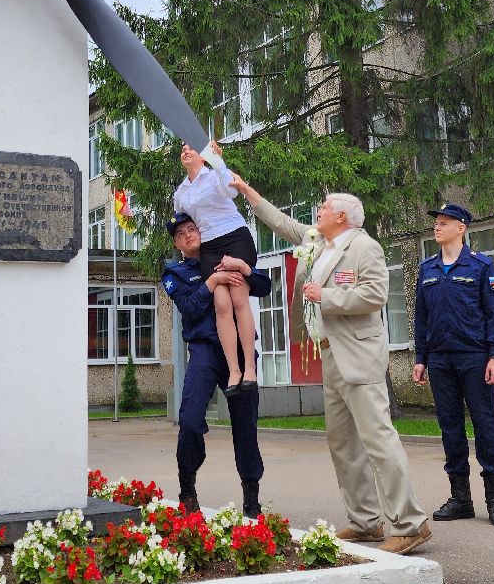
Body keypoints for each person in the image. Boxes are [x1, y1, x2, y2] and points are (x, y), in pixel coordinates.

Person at [230, 175, 432, 555]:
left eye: (323, 207)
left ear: (342, 215)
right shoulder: (318, 242)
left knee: (378, 439)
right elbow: (281, 222)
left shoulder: (364, 247)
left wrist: (327, 295)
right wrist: (245, 189)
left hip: (358, 354)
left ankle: (410, 523)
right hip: (330, 353)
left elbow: (374, 295)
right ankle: (365, 521)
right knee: (342, 443)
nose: (317, 211)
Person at [161, 212, 271, 517]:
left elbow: (263, 284)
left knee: (245, 425)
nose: (187, 235)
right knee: (191, 419)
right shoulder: (175, 274)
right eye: (180, 234)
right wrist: (212, 281)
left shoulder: (227, 256)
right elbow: (189, 307)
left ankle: (251, 499)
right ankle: (187, 488)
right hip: (205, 352)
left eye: (192, 228)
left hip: (239, 351)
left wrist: (243, 269)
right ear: (177, 244)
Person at [412, 202, 494, 526]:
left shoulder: (481, 266)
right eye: (436, 223)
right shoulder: (427, 269)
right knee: (450, 429)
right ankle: (461, 498)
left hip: (474, 358)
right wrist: (421, 358)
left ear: (461, 228)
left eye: (443, 223)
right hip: (440, 360)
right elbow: (421, 318)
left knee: (485, 427)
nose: (437, 227)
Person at [173, 141, 259, 395]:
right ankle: (234, 369)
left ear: (203, 156)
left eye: (191, 149)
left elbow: (232, 191)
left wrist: (218, 159)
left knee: (238, 298)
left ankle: (250, 369)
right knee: (221, 303)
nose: (186, 152)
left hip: (234, 237)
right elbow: (183, 221)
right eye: (182, 150)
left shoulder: (213, 176)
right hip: (210, 247)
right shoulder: (181, 193)